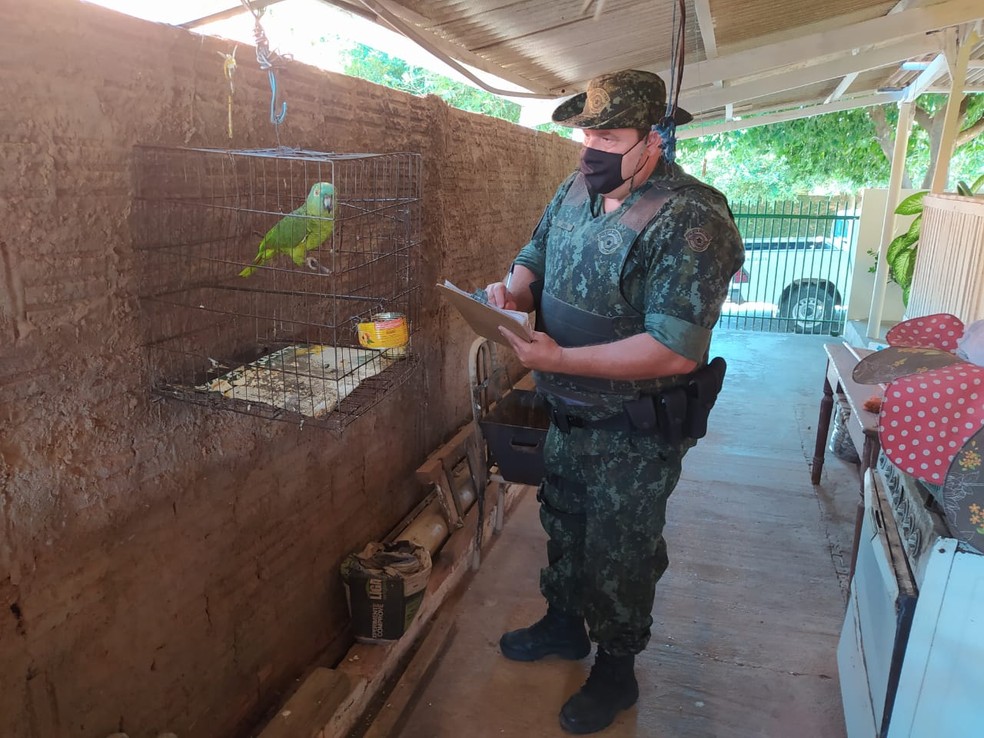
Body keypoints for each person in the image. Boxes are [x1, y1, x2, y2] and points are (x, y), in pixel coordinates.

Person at [485, 69, 745, 734]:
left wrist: (562, 358)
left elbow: (673, 349)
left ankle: (616, 669)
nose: (589, 149)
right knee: (565, 522)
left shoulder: (691, 219)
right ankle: (565, 625)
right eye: (585, 134)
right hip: (567, 411)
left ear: (654, 140)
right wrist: (512, 292)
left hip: (633, 427)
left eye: (607, 136)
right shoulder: (577, 187)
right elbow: (536, 251)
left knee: (622, 548)